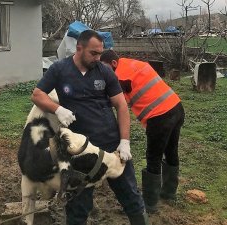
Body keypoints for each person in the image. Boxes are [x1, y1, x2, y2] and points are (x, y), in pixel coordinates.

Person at [31, 30, 149, 225]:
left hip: (111, 146)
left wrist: (125, 141)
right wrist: (58, 109)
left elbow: (121, 105)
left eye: (100, 53)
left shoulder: (105, 72)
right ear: (79, 48)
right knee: (78, 207)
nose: (98, 58)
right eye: (93, 53)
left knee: (131, 196)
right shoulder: (60, 69)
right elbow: (37, 95)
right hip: (80, 151)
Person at [100, 50, 185, 213]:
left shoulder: (120, 76)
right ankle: (169, 192)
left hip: (160, 116)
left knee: (153, 157)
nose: (104, 73)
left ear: (113, 64)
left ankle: (149, 204)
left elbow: (115, 100)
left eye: (104, 68)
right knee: (171, 151)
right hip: (176, 107)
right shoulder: (132, 64)